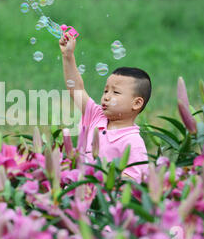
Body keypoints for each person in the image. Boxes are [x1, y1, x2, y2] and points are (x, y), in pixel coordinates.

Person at [59, 33, 151, 183]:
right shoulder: (96, 116)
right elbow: (76, 89)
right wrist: (68, 56)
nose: (106, 97)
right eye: (105, 91)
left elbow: (133, 180)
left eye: (115, 92)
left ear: (136, 103)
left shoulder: (133, 142)